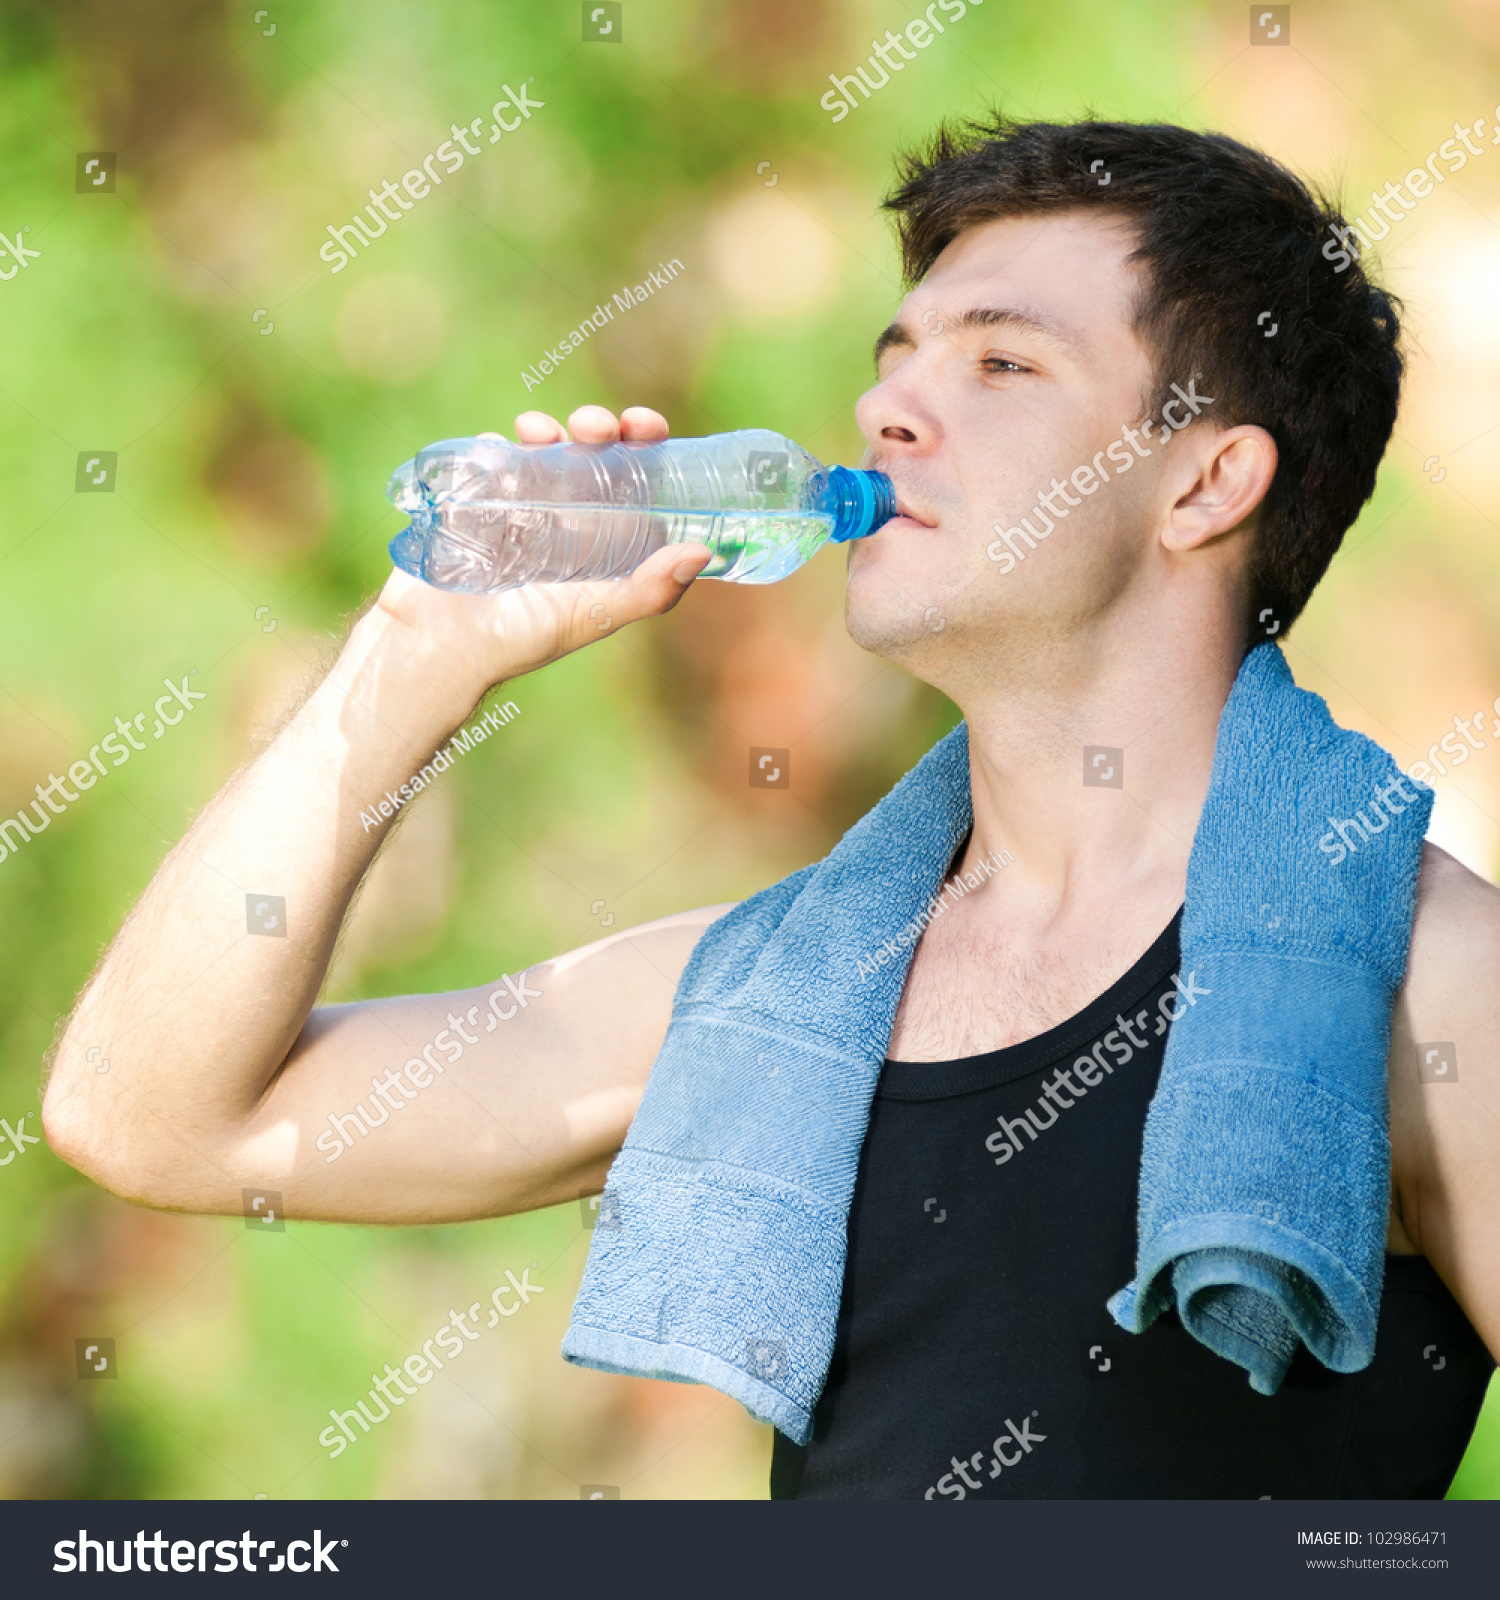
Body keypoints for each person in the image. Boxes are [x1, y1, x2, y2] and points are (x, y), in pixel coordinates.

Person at [42, 117, 1499, 1497]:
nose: (887, 408)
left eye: (1001, 364)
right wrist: (413, 658)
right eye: (897, 354)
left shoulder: (1431, 985)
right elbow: (154, 1121)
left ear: (1203, 483)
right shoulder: (769, 995)